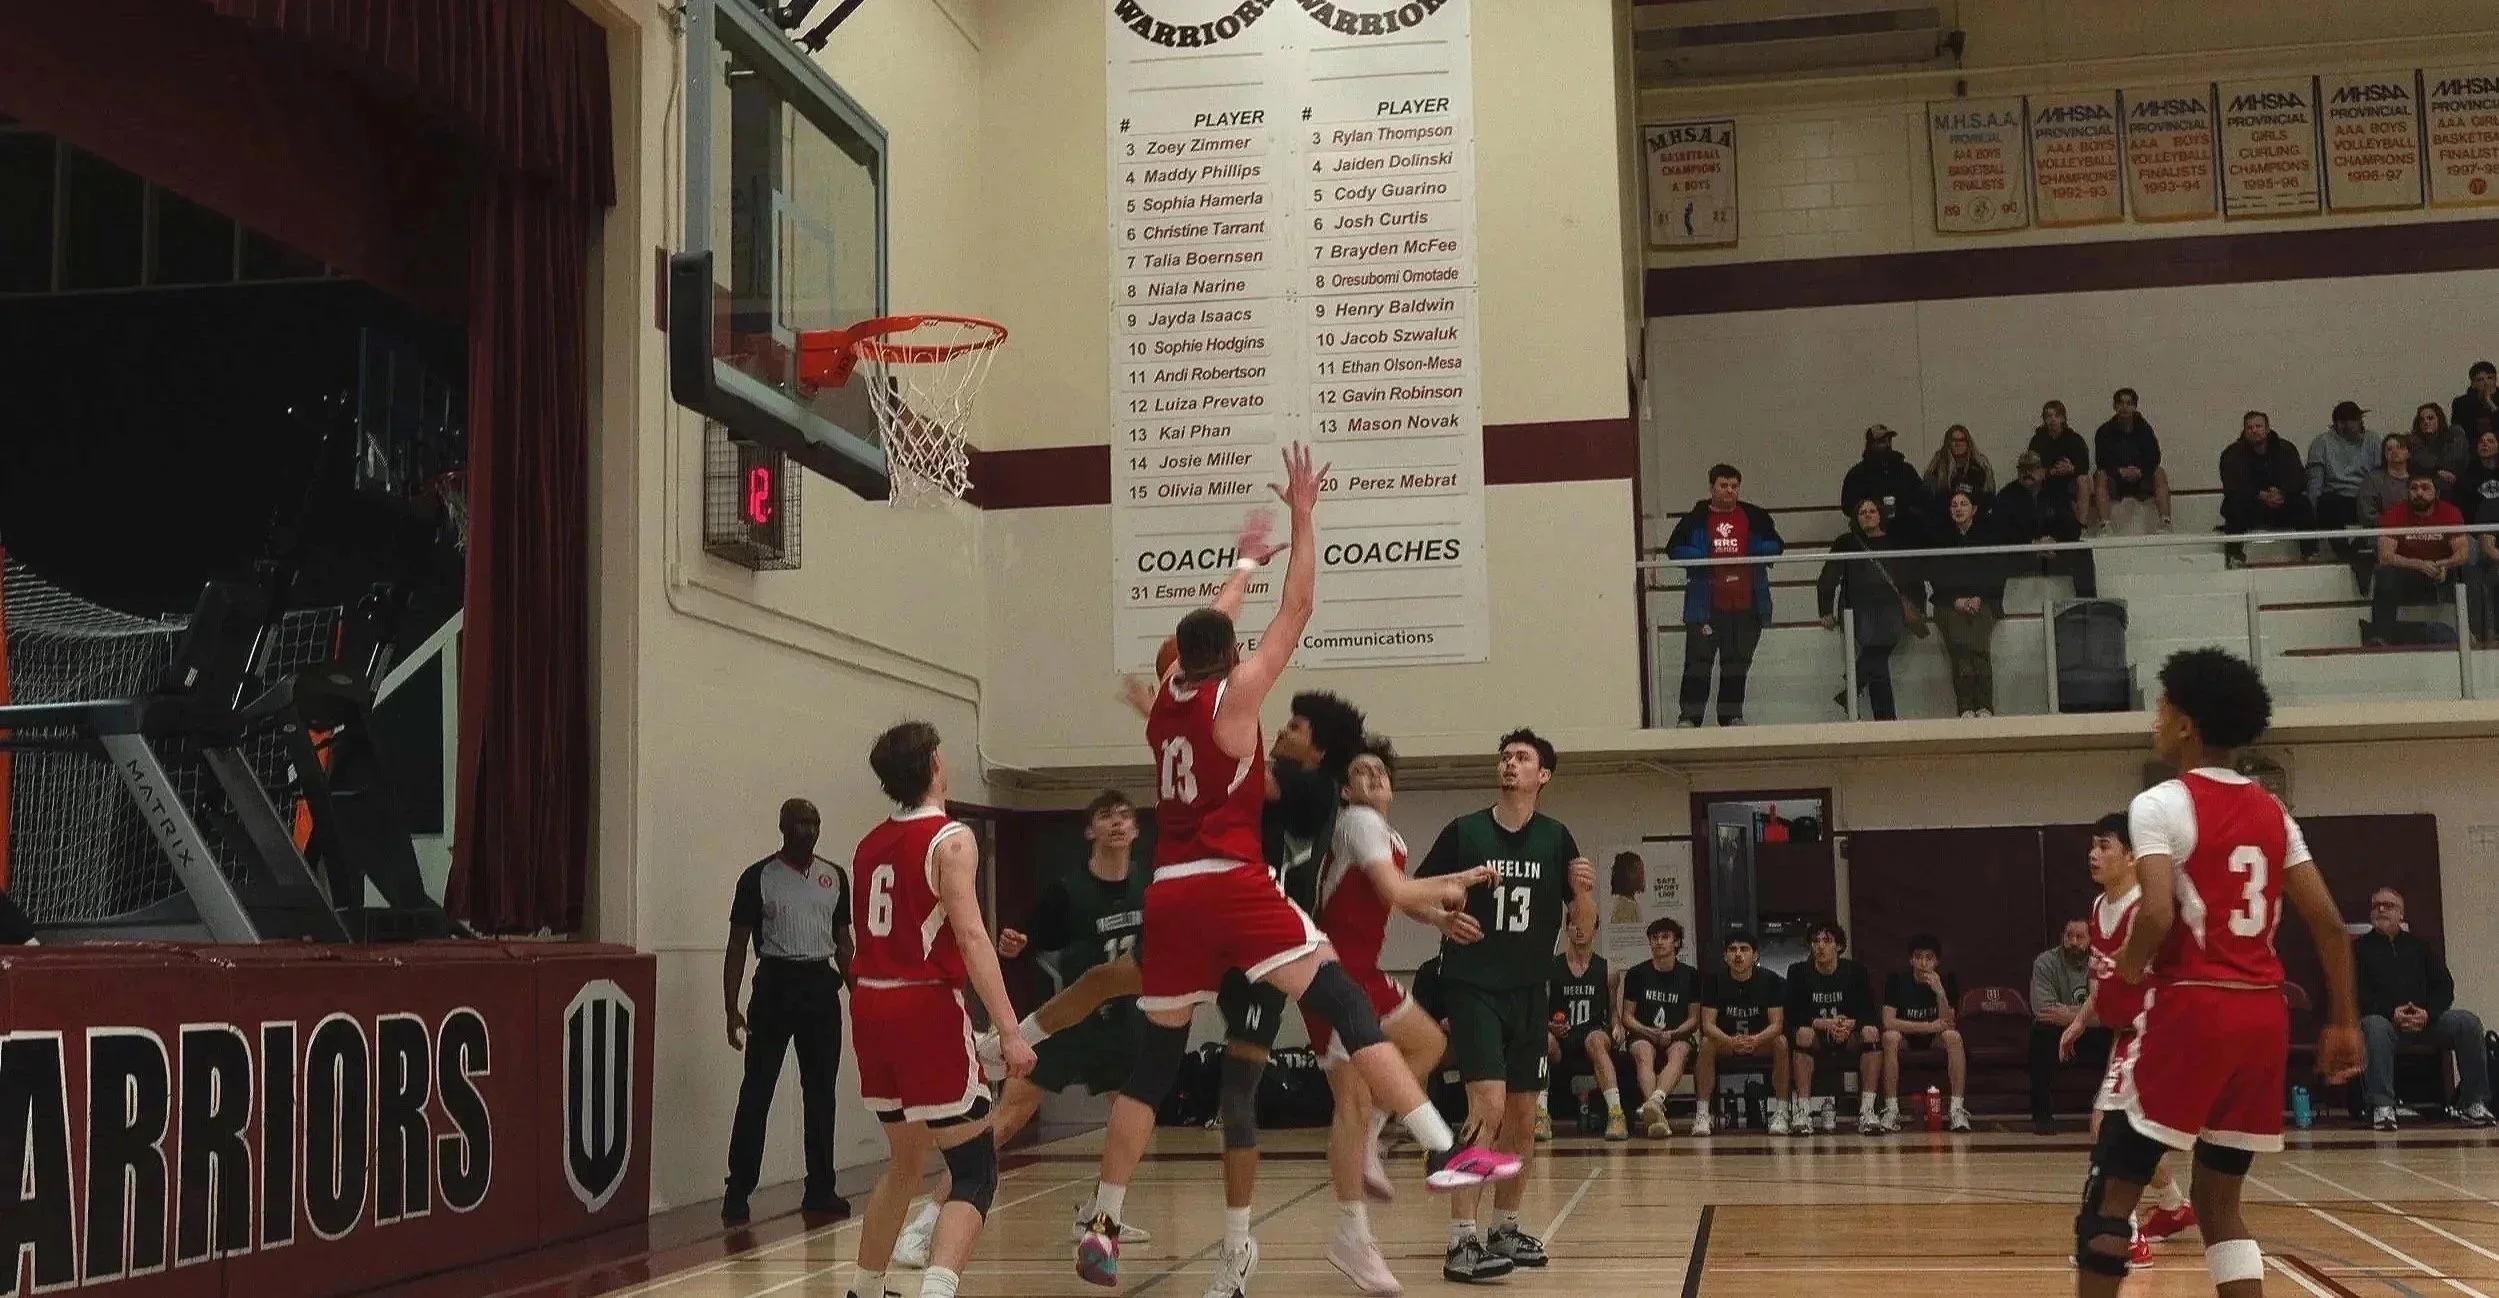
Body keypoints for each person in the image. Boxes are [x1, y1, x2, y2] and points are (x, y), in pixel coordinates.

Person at [1076, 446, 1518, 1292]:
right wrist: (1302, 515)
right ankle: (1444, 1146)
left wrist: (1242, 562)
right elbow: (1300, 606)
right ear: (1229, 655)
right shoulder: (1236, 695)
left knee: (1155, 1066)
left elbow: (1210, 617)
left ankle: (1101, 1219)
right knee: (1349, 1003)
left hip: (1168, 893)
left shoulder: (1165, 697)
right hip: (1230, 884)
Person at [2069, 648, 2364, 1297]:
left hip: (2192, 1009)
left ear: (2184, 723)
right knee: (2218, 1202)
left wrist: (2123, 971)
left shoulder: (2159, 803)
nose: (2155, 714)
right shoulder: (2271, 812)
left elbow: (2155, 911)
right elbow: (2329, 927)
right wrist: (2342, 1020)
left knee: (2107, 1200)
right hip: (2261, 1018)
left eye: (2161, 703)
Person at [895, 791, 1158, 1268]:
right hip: (1067, 1022)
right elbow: (1024, 941)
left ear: (1137, 831)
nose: (1118, 823)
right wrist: (1014, 944)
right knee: (1005, 1120)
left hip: (1122, 1025)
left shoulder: (1148, 885)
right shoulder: (1067, 891)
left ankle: (1099, 1218)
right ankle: (924, 1223)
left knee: (1130, 1122)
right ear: (1089, 831)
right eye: (1106, 816)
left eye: (1126, 816)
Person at [841, 723, 1033, 1298]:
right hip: (921, 1004)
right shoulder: (951, 839)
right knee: (975, 1171)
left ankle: (864, 1288)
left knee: (904, 1160)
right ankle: (937, 1292)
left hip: (869, 1006)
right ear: (931, 765)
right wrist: (1009, 1031)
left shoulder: (867, 843)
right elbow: (972, 938)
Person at [1308, 737, 1491, 1295]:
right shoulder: (1356, 821)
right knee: (1351, 1097)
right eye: (1360, 771)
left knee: (1429, 1045)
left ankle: (1372, 1135)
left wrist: (1436, 917)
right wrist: (1460, 880)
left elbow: (1392, 898)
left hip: (1364, 972)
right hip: (1330, 973)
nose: (1373, 777)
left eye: (1380, 770)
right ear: (1345, 789)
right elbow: (1395, 888)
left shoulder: (1387, 835)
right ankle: (1353, 1236)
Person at [1413, 728, 1596, 1281]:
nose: (1510, 764)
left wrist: (1584, 892)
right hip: (1472, 986)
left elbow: (1582, 933)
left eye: (1522, 758)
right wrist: (1443, 916)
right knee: (1485, 1107)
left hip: (1529, 991)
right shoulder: (1465, 832)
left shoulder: (1557, 838)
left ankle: (1505, 1226)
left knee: (1522, 1116)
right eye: (1505, 757)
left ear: (1544, 776)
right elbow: (1412, 892)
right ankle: (1461, 1239)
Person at [2058, 813, 2192, 1265]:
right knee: (2137, 1131)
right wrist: (2080, 1020)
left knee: (2110, 1126)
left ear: (2133, 856)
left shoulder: (2148, 910)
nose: (2093, 854)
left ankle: (2126, 1233)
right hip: (2124, 1035)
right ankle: (2173, 1207)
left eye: (2104, 845)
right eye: (2092, 846)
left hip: (2156, 1033)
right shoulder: (2098, 908)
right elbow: (2103, 978)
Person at [721, 798, 854, 1225]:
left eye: (814, 822)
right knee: (757, 1090)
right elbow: (738, 945)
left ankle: (821, 1188)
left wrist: (861, 993)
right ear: (783, 827)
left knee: (821, 1094)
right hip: (775, 986)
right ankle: (738, 1190)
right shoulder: (757, 878)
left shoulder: (834, 877)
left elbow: (844, 942)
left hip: (820, 985)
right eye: (800, 822)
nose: (809, 829)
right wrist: (731, 1006)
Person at [2353, 887, 2493, 1129]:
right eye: (2376, 905)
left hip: (2426, 1021)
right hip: (2384, 1023)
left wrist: (2428, 1013)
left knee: (2467, 1022)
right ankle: (2382, 1106)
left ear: (2401, 915)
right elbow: (2355, 992)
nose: (2382, 909)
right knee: (2374, 1026)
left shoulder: (2420, 947)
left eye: (2389, 905)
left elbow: (2444, 987)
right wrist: (2391, 1012)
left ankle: (2473, 1104)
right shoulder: (2359, 949)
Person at [1666, 463, 1782, 728]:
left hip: (1746, 606)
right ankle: (1689, 717)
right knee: (1697, 665)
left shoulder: (1756, 517)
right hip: (1705, 607)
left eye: (1734, 486)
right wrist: (1705, 560)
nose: (1729, 491)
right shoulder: (1694, 519)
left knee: (1737, 664)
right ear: (1711, 488)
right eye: (1723, 486)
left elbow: (1777, 545)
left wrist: (1755, 553)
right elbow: (1674, 549)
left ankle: (1731, 716)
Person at [1817, 497, 1922, 722]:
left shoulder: (1896, 541)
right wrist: (1825, 609)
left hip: (1891, 608)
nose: (1867, 515)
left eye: (1872, 511)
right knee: (1877, 659)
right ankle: (1885, 719)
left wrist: (1918, 607)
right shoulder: (1846, 542)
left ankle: (1854, 689)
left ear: (1881, 514)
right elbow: (1828, 576)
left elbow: (1912, 576)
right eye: (1862, 512)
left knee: (1876, 654)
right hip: (1857, 608)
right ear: (1855, 517)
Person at [1783, 920, 1881, 1135]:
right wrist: (1827, 1024)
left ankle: (1867, 1110)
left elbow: (1869, 1013)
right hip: (1816, 1036)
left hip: (1849, 1033)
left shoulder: (1856, 972)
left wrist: (1847, 1024)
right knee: (1803, 1034)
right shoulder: (1798, 972)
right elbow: (1792, 1015)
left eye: (1827, 941)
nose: (1820, 946)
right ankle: (1803, 1112)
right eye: (1815, 941)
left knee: (1871, 1032)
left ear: (1838, 946)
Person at [1692, 931, 1787, 1136]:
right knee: (1707, 1043)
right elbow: (1707, 1024)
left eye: (1744, 949)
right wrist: (1729, 1040)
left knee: (1781, 1042)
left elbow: (1777, 1024)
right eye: (1732, 949)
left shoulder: (1771, 980)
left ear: (1755, 955)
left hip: (1760, 1042)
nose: (1738, 954)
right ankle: (1702, 1114)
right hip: (1726, 1042)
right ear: (1725, 956)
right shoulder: (1713, 981)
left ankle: (1780, 1111)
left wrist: (1755, 1039)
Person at [1619, 917, 1702, 1140]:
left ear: (1677, 942)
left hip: (1678, 1034)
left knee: (1680, 1051)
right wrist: (1648, 1031)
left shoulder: (1690, 975)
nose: (1658, 942)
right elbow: (1627, 1016)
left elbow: (1694, 1018)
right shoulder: (1637, 974)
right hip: (1644, 1033)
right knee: (1643, 1052)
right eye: (1654, 938)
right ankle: (1656, 1113)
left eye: (1665, 937)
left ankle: (1654, 1102)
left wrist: (1673, 1033)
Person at [1879, 933, 1968, 1133]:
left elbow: (1949, 1022)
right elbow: (1888, 1021)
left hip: (1936, 1038)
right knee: (1889, 1037)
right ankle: (1891, 1109)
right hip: (1906, 1037)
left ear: (1937, 962)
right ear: (1911, 960)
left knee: (1953, 1037)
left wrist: (1940, 992)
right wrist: (1929, 1026)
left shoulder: (1946, 979)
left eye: (1929, 958)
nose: (1923, 963)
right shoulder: (1897, 980)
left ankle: (1957, 1109)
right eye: (1918, 957)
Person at [1929, 487, 2006, 718]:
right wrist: (1956, 601)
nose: (1958, 508)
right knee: (1961, 651)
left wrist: (1978, 597)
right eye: (1954, 505)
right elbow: (1937, 577)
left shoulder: (1989, 536)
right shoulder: (1941, 540)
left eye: (1963, 504)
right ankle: (1965, 708)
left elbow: (1996, 573)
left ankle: (1984, 707)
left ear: (1974, 509)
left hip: (1984, 601)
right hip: (1949, 604)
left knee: (1979, 650)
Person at [1547, 915, 1624, 1141]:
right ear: (1567, 928)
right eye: (1574, 925)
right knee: (1541, 1040)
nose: (1580, 930)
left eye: (1586, 925)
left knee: (1595, 1040)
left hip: (1595, 1033)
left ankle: (1616, 1114)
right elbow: (1538, 1012)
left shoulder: (1609, 970)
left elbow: (1612, 1011)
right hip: (1561, 1038)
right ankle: (1541, 1115)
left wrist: (1618, 1026)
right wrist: (1549, 1025)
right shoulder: (1550, 968)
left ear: (1596, 929)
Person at [2370, 472, 2467, 646]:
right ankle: (2380, 637)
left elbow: (2462, 553)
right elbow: (2385, 556)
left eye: (2425, 487)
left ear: (2436, 492)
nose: (2419, 493)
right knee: (2384, 573)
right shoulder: (2395, 512)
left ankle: (2474, 635)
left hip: (2442, 573)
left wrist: (2444, 565)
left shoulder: (2450, 512)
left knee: (2472, 569)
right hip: (2409, 573)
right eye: (2414, 488)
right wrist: (2417, 564)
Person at [2030, 917, 2104, 1135]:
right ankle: (2042, 1117)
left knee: (2117, 1033)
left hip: (2094, 1032)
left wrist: (2070, 1014)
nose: (2072, 941)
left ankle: (2112, 1116)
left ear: (2091, 939)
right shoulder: (2045, 962)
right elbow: (2044, 1010)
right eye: (2068, 936)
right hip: (2056, 1030)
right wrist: (2086, 1015)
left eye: (2079, 937)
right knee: (2040, 1033)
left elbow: (2110, 1012)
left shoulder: (2101, 962)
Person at [1996, 450, 2097, 598]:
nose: (2027, 473)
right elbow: (2001, 530)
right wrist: (2031, 544)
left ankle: (2088, 604)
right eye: (2023, 470)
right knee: (1995, 558)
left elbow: (2072, 527)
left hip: (2053, 553)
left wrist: (2053, 543)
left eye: (2033, 469)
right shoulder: (2006, 496)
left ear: (2043, 471)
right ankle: (1994, 606)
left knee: (2082, 551)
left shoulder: (2056, 492)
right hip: (2022, 554)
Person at [2218, 410, 2313, 565]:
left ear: (2267, 429)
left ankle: (2310, 553)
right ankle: (2234, 556)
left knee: (2303, 504)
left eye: (2258, 426)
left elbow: (2299, 477)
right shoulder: (2232, 453)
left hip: (2282, 504)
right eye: (2250, 427)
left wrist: (2282, 492)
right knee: (2233, 506)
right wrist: (2260, 494)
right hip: (2251, 506)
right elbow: (2232, 485)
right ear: (2244, 430)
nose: (2254, 430)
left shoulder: (2286, 449)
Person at [2305, 401, 2380, 561]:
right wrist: (2313, 510)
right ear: (2338, 424)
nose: (2352, 426)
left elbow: (2379, 474)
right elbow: (2315, 481)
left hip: (2365, 496)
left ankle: (2365, 549)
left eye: (2355, 420)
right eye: (2346, 421)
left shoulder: (2372, 440)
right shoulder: (2322, 443)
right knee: (2326, 503)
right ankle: (2345, 554)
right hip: (2336, 498)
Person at [2093, 388, 2171, 531]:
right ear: (2114, 407)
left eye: (2129, 403)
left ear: (2135, 407)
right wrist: (2119, 471)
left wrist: (2140, 471)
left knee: (2159, 473)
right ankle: (2105, 525)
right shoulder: (2104, 431)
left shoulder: (2145, 429)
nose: (2124, 407)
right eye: (2121, 403)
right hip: (2115, 479)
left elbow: (2154, 457)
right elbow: (2101, 459)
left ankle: (2165, 522)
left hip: (2141, 478)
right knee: (2100, 475)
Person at [1842, 424, 1931, 542]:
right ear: (1870, 444)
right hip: (1870, 537)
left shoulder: (1906, 470)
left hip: (1906, 534)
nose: (1887, 444)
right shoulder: (1857, 474)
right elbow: (1848, 506)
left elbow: (1921, 498)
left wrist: (1906, 511)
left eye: (1889, 440)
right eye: (1881, 441)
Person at [2029, 399, 2096, 530]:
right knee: (2031, 479)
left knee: (2084, 480)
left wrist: (2071, 469)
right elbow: (2032, 466)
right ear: (2044, 420)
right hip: (2046, 480)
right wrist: (2051, 472)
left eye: (2057, 416)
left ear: (2063, 418)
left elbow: (2084, 467)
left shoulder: (2074, 439)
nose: (2053, 420)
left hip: (2070, 482)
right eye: (2049, 416)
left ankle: (2081, 525)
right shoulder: (2038, 440)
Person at [1923, 423, 1997, 506]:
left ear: (1968, 442)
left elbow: (1988, 496)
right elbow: (1928, 497)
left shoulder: (1979, 467)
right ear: (1948, 443)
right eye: (1954, 440)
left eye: (1961, 440)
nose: (1958, 444)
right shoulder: (1936, 467)